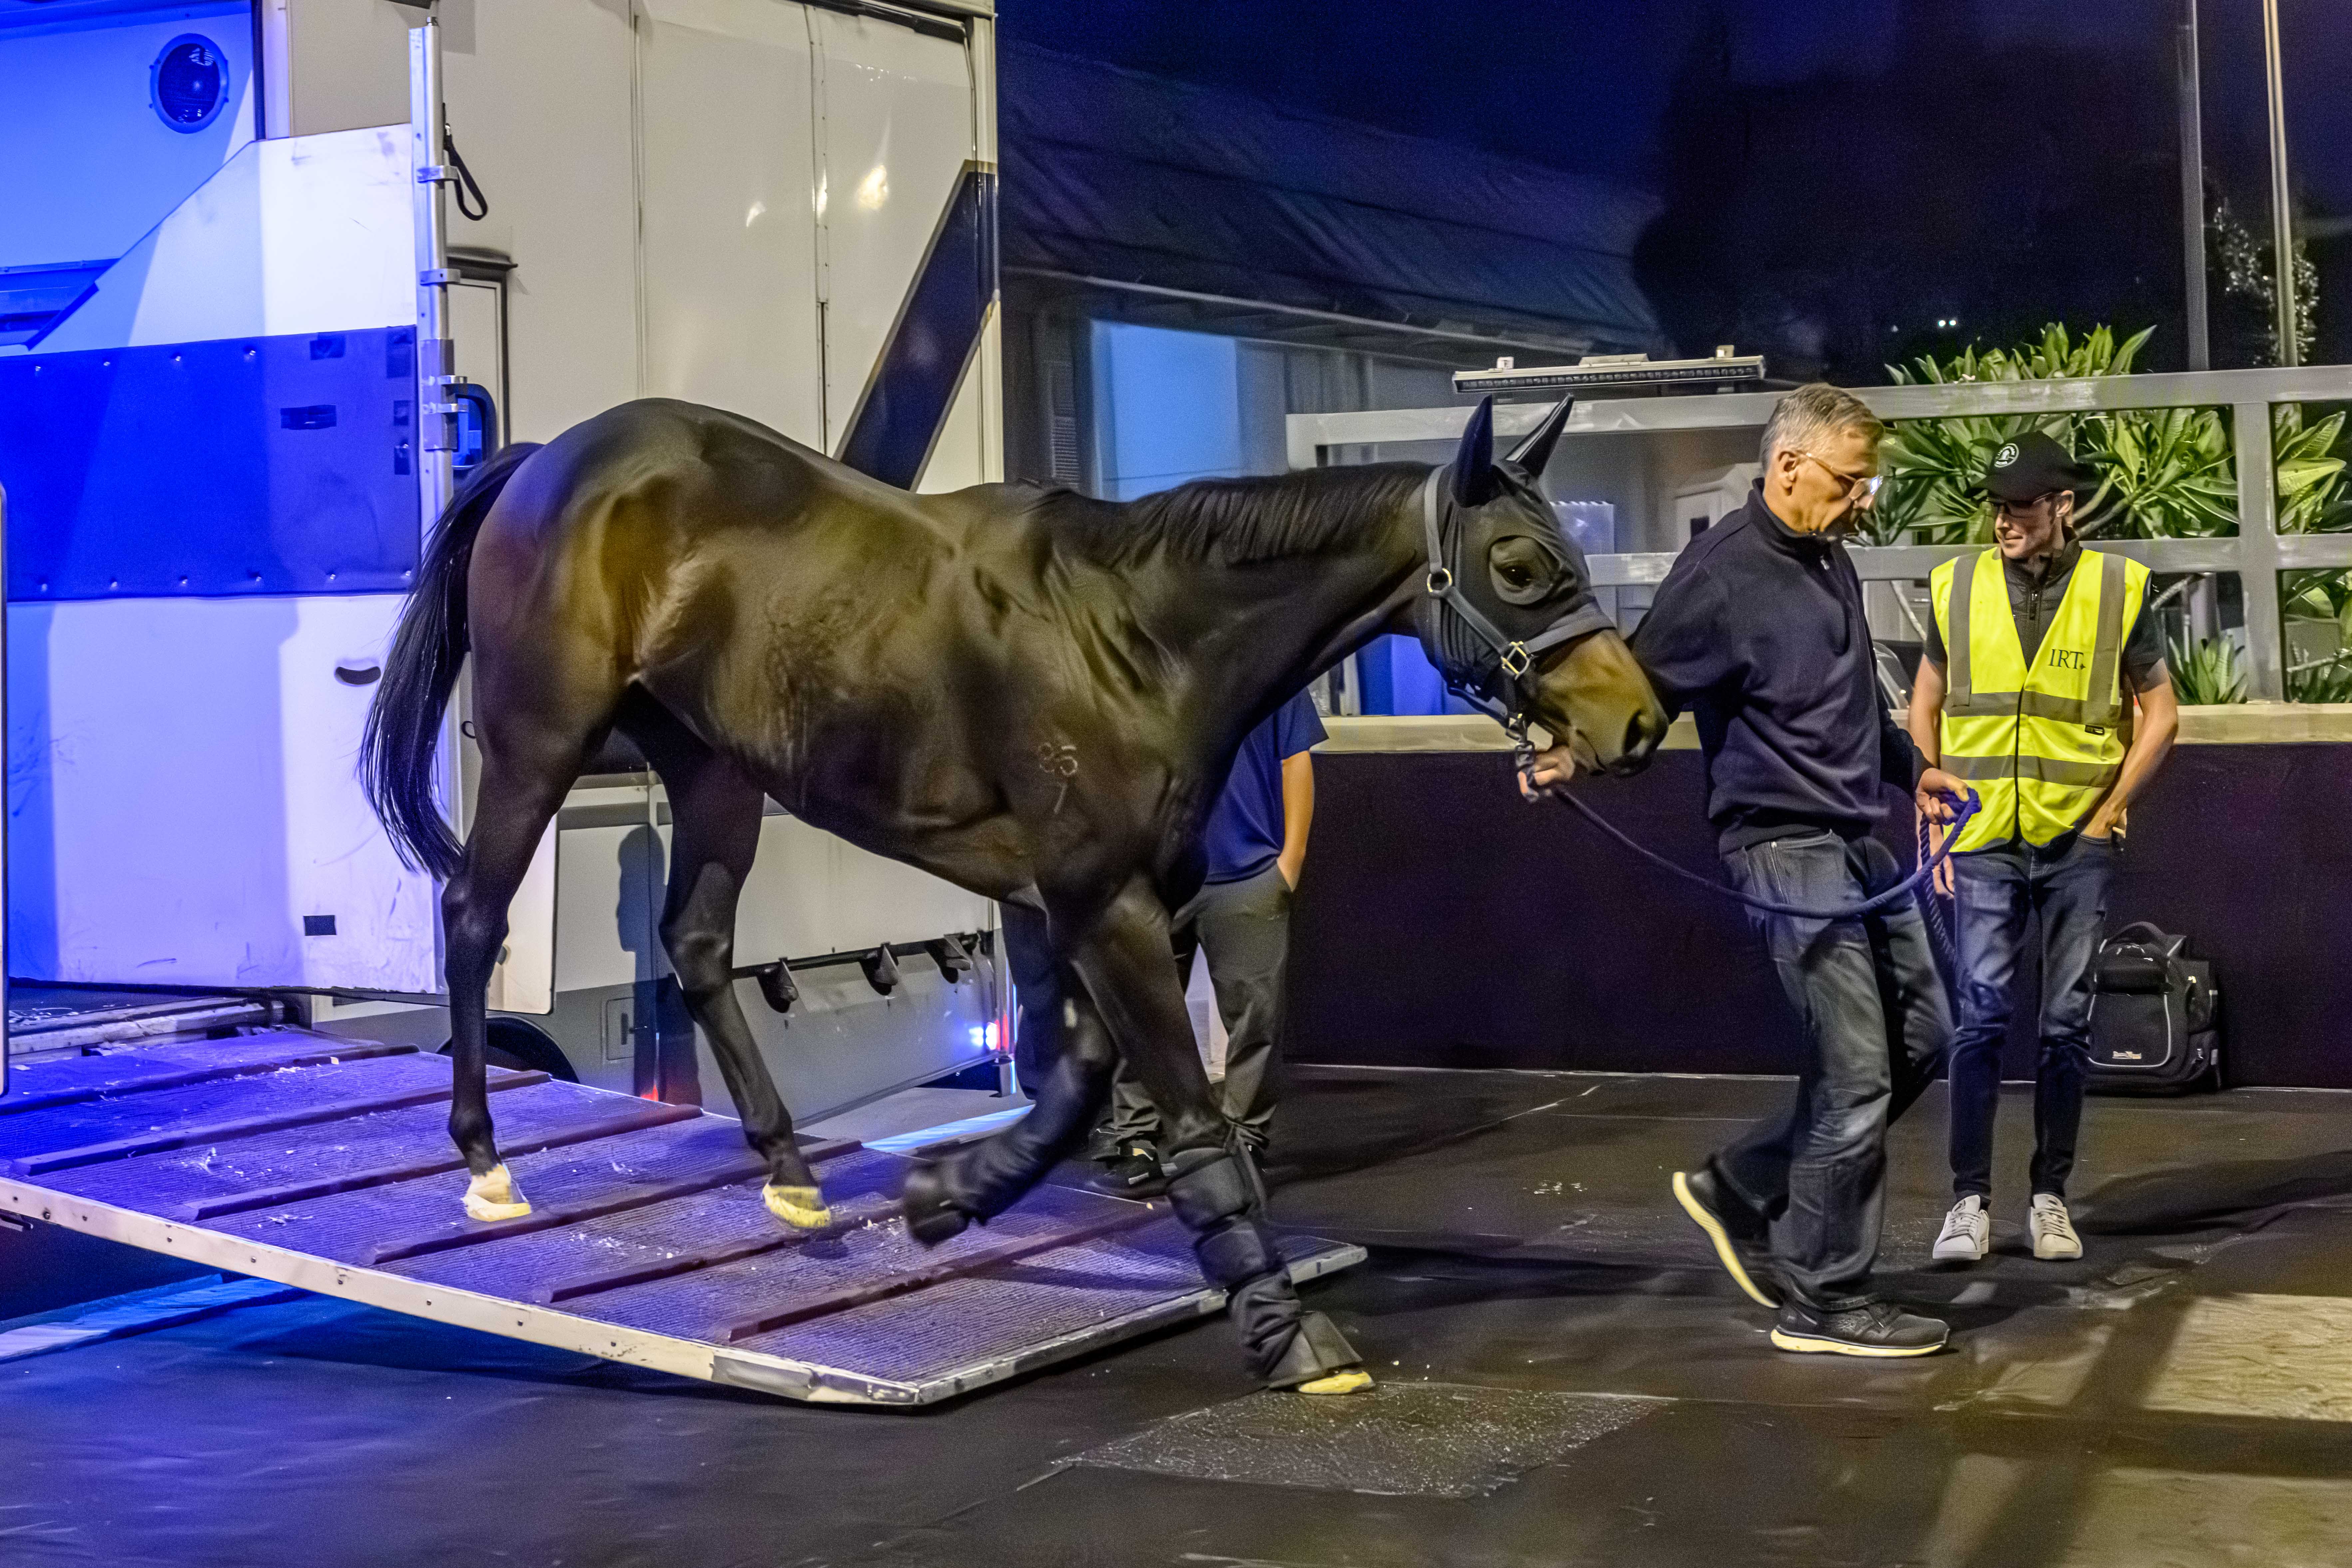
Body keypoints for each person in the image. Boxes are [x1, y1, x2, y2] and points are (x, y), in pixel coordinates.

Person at [1533, 382, 1969, 1358]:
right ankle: (1824, 1297)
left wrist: (1916, 770)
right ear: (1788, 467)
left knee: (1931, 1031)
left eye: (1866, 481)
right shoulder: (1721, 574)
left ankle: (1744, 1183)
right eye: (1852, 480)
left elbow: (1848, 703)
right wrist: (1571, 752)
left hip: (1857, 836)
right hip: (1784, 845)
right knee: (1857, 1070)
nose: (1864, 498)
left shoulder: (1830, 557)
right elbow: (1640, 689)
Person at [1910, 432, 2179, 1265]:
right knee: (1981, 1016)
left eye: (2021, 506)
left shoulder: (2118, 587)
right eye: (1996, 506)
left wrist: (2109, 813)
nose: (2003, 521)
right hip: (1986, 836)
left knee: (2063, 1025)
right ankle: (1967, 1202)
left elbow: (2160, 711)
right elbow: (1925, 700)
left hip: (2075, 838)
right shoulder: (1954, 586)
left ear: (2062, 506)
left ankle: (2049, 1197)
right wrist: (1926, 783)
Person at [1091, 688, 1325, 1195]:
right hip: (1159, 878)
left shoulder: (1275, 662)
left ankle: (1244, 1140)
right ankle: (1137, 1136)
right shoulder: (1150, 660)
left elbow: (1296, 763)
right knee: (1144, 1012)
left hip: (1248, 877)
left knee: (1255, 1019)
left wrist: (1289, 864)